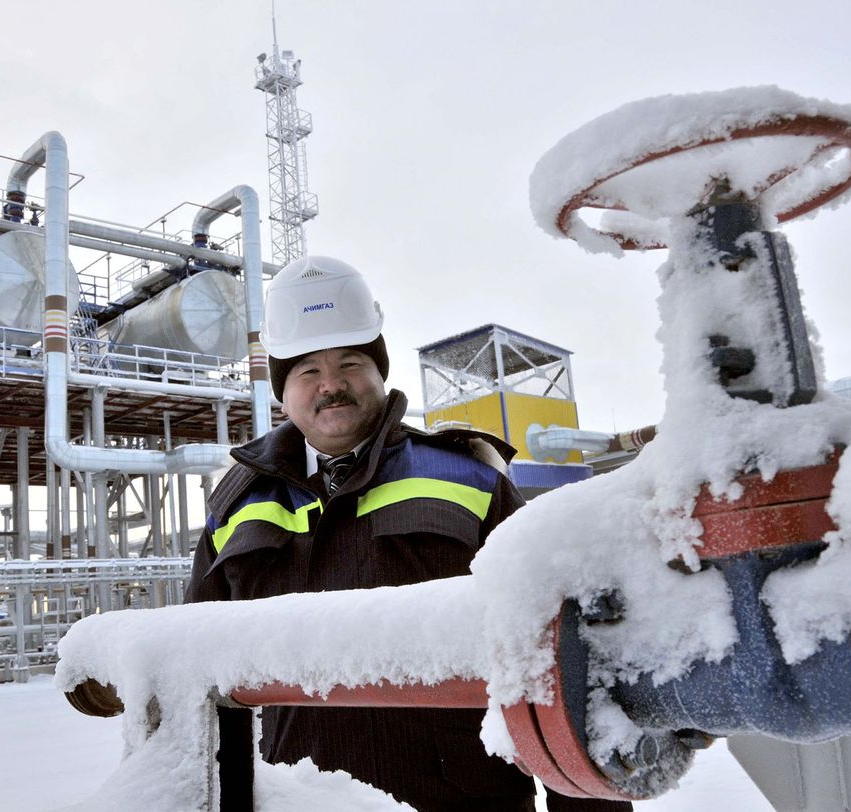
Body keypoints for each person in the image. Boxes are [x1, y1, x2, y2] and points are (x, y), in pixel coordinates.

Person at [186, 256, 632, 812]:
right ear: (284, 389)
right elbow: (193, 679)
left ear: (379, 371)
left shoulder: (469, 477)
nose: (331, 385)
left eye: (350, 363)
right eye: (307, 371)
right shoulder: (237, 504)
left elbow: (556, 655)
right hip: (294, 799)